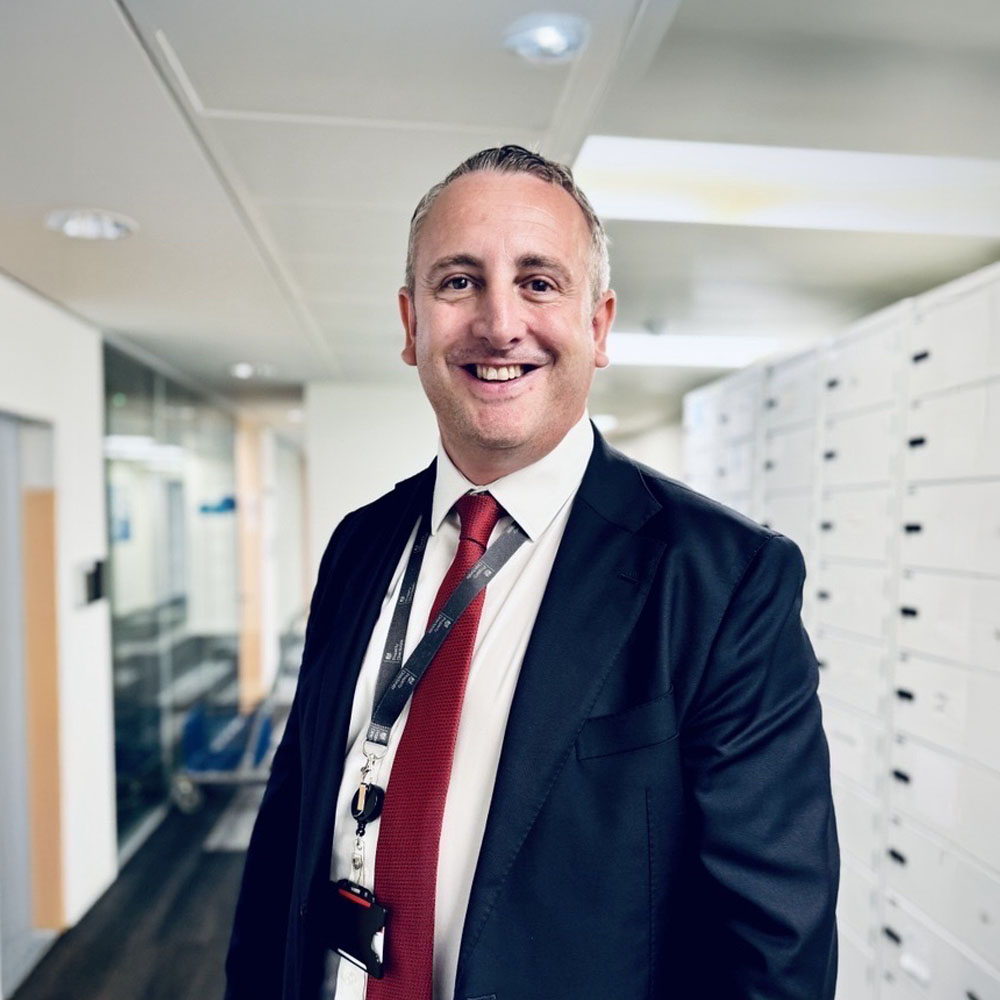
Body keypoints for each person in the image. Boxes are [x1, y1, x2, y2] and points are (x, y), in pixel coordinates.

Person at [225, 145, 839, 1000]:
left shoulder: (724, 582)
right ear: (411, 325)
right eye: (458, 281)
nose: (499, 322)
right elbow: (288, 832)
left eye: (539, 282)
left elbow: (774, 946)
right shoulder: (358, 547)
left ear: (598, 324)